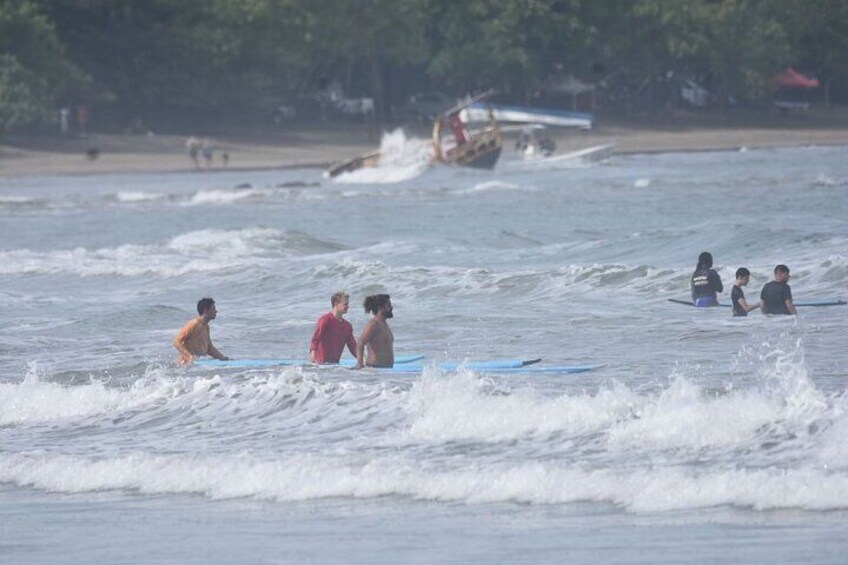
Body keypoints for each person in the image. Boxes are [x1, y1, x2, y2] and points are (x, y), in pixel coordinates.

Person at [173, 298, 229, 365]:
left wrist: (223, 358)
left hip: (196, 365)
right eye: (213, 309)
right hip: (184, 366)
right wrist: (189, 356)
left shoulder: (206, 326)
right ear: (206, 310)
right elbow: (176, 341)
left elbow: (209, 349)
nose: (216, 311)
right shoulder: (194, 324)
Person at [309, 291, 357, 364]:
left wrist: (362, 359)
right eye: (345, 304)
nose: (348, 306)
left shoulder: (347, 326)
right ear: (336, 304)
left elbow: (353, 346)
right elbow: (316, 338)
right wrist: (312, 353)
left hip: (334, 367)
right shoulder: (325, 320)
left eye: (348, 304)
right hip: (320, 365)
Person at [353, 294, 394, 369]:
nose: (391, 308)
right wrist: (360, 363)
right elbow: (360, 343)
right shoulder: (373, 324)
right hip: (374, 371)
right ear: (380, 308)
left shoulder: (384, 324)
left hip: (386, 372)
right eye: (388, 306)